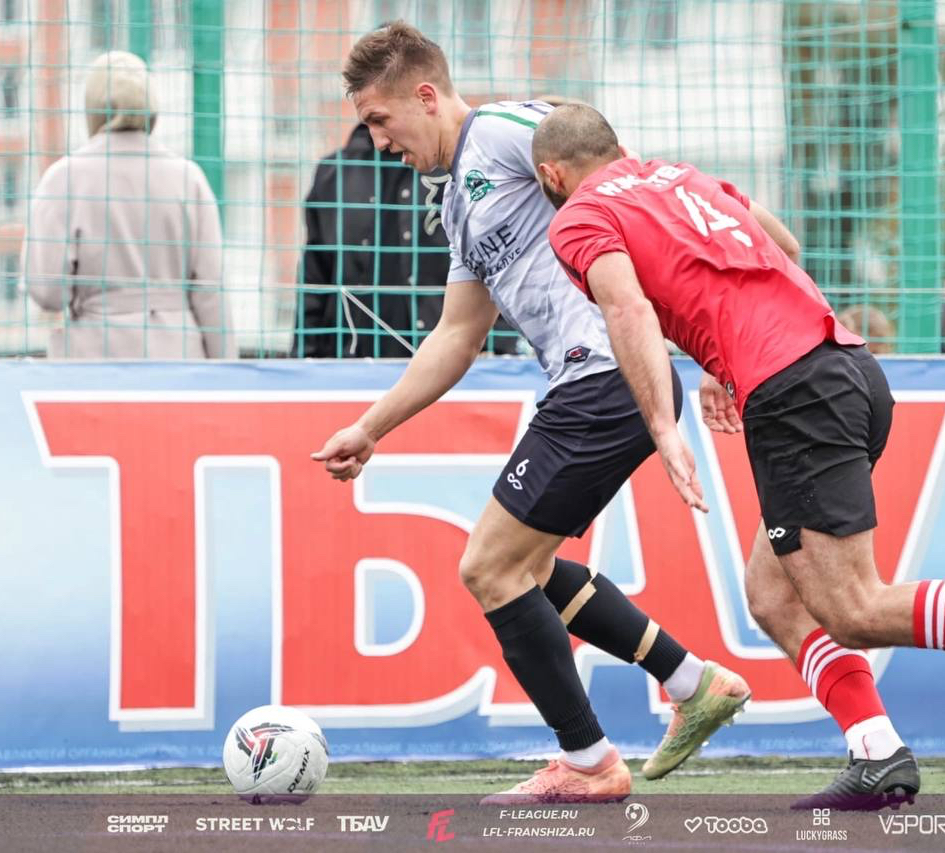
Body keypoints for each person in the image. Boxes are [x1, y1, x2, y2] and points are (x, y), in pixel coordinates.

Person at [532, 103, 945, 810]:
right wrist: (719, 357)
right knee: (771, 594)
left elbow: (628, 309)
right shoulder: (682, 177)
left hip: (795, 393)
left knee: (853, 607)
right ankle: (878, 751)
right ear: (617, 148)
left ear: (552, 175)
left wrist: (664, 428)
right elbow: (785, 247)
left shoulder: (579, 215)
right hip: (843, 365)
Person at [312, 21, 749, 804]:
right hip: (586, 386)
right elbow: (457, 335)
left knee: (490, 567)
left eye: (379, 119)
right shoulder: (456, 202)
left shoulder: (510, 131)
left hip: (607, 378)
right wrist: (370, 427)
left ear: (426, 96)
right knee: (527, 569)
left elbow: (638, 194)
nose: (377, 142)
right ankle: (693, 681)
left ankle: (589, 761)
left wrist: (715, 347)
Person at [24, 51, 234, 359]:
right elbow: (210, 290)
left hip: (93, 356)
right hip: (177, 356)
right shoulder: (188, 179)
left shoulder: (63, 178)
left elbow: (48, 291)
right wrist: (226, 369)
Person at [294, 123, 448, 358]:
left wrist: (497, 349)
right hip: (354, 360)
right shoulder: (335, 173)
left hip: (444, 357)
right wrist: (305, 357)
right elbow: (314, 276)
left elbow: (489, 262)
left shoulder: (451, 169)